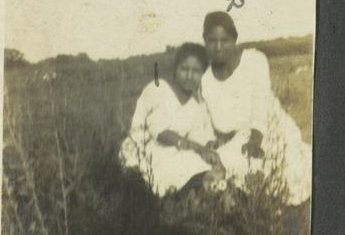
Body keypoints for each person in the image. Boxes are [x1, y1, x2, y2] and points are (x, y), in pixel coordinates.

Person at [200, 11, 312, 206]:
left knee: (286, 175)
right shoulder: (206, 80)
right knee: (220, 171)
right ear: (205, 42)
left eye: (224, 40)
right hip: (240, 139)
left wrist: (255, 141)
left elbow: (260, 106)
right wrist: (216, 141)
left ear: (234, 39)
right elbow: (218, 123)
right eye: (212, 41)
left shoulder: (254, 60)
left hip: (272, 129)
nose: (218, 47)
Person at [119, 43, 225, 196]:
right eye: (184, 69)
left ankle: (206, 193)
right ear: (175, 70)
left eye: (196, 71)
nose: (189, 76)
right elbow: (160, 133)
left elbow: (197, 133)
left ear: (203, 74)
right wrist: (199, 149)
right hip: (145, 148)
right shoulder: (159, 89)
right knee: (185, 163)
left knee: (210, 161)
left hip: (173, 149)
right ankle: (186, 194)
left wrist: (209, 145)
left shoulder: (198, 103)